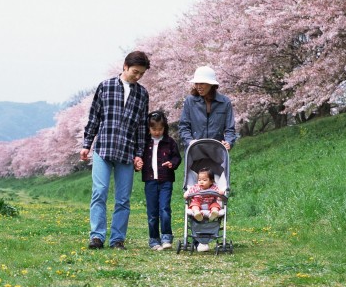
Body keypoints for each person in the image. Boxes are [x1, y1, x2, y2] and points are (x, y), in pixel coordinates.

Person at [81, 50, 150, 250]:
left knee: (123, 199)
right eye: (135, 72)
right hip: (103, 148)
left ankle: (117, 239)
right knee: (99, 192)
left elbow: (141, 127)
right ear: (125, 66)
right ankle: (97, 236)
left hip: (127, 152)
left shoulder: (142, 94)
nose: (137, 77)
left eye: (141, 74)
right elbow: (94, 117)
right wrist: (87, 145)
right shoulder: (105, 86)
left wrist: (139, 153)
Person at [141, 110, 182, 251]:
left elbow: (177, 157)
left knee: (164, 209)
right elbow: (139, 157)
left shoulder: (170, 142)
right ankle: (154, 239)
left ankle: (166, 237)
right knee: (152, 212)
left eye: (160, 129)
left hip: (166, 181)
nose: (157, 132)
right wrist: (138, 163)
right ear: (149, 128)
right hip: (150, 181)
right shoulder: (145, 143)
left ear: (164, 128)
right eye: (154, 129)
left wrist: (172, 163)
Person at [178, 66, 236, 150]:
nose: (198, 87)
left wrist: (228, 142)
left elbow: (230, 129)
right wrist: (190, 141)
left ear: (211, 84)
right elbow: (183, 127)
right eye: (196, 83)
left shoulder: (225, 102)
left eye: (202, 83)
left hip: (217, 151)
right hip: (194, 151)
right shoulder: (190, 101)